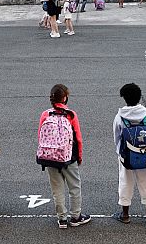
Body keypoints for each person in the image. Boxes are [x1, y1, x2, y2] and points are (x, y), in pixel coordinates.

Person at [38, 84, 90, 229]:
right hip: (69, 157)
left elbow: (41, 137)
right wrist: (79, 156)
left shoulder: (45, 114)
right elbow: (78, 138)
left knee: (57, 189)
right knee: (74, 187)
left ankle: (62, 219)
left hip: (51, 157)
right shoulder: (71, 115)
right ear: (65, 98)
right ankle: (76, 216)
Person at [111, 83, 146, 225]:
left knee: (125, 181)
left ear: (124, 98)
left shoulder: (119, 116)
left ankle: (125, 214)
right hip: (145, 153)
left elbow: (116, 137)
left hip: (127, 155)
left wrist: (120, 153)